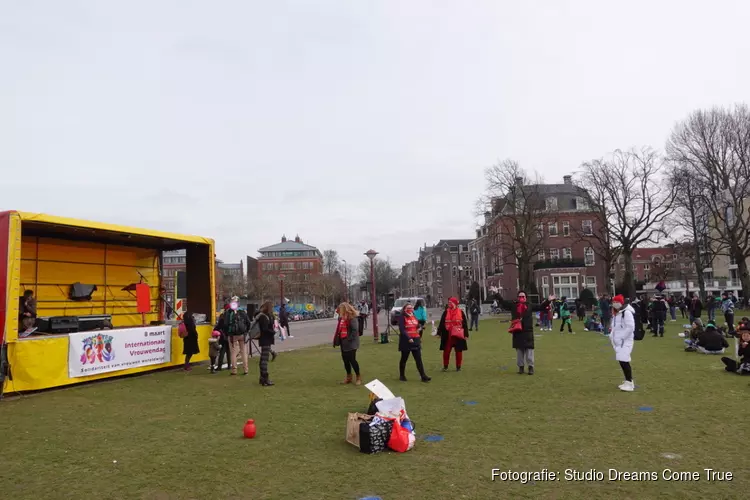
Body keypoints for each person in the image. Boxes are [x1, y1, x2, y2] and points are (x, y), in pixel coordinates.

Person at [497, 292, 552, 375]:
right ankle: (521, 367)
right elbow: (503, 303)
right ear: (517, 297)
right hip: (517, 330)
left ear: (526, 297)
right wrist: (497, 294)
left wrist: (548, 300)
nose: (521, 298)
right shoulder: (514, 305)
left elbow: (540, 306)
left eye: (523, 296)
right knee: (519, 350)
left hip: (527, 330)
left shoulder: (529, 305)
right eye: (520, 296)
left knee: (529, 350)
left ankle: (530, 367)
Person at [216, 297, 251, 376]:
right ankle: (246, 369)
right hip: (242, 334)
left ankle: (234, 370)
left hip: (232, 336)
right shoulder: (242, 312)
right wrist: (246, 331)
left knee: (233, 353)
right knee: (243, 352)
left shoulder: (228, 313)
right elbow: (248, 322)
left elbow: (225, 324)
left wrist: (227, 333)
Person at [398, 303, 431, 382]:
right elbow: (402, 329)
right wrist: (408, 338)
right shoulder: (402, 317)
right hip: (406, 341)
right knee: (404, 358)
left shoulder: (413, 315)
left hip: (415, 339)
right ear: (404, 309)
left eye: (411, 308)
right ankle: (402, 375)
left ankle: (423, 376)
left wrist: (421, 327)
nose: (410, 309)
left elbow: (415, 324)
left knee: (418, 358)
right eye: (408, 308)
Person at [610, 295, 636, 392]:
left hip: (625, 341)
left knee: (624, 360)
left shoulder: (627, 313)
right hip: (618, 341)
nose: (614, 304)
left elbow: (630, 327)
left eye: (616, 302)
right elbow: (615, 327)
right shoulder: (617, 313)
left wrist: (622, 337)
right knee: (621, 361)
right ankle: (628, 381)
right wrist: (612, 335)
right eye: (613, 302)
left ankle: (629, 383)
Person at [437, 297, 469, 372]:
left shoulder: (461, 312)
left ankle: (458, 367)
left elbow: (464, 324)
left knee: (458, 351)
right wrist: (439, 333)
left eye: (451, 303)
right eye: (449, 303)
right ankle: (445, 366)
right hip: (447, 335)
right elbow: (442, 323)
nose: (449, 304)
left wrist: (466, 334)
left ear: (454, 304)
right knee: (446, 351)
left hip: (458, 334)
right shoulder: (446, 312)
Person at [334, 302, 362, 385]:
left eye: (340, 309)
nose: (339, 311)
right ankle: (349, 377)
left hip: (351, 343)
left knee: (352, 360)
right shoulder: (341, 318)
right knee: (345, 360)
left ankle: (358, 377)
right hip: (343, 342)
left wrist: (349, 338)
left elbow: (355, 330)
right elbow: (339, 329)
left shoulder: (352, 318)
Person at [256, 301, 277, 386]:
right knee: (264, 360)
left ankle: (262, 378)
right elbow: (265, 329)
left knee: (263, 359)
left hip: (264, 339)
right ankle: (265, 378)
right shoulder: (264, 317)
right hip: (266, 339)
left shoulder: (263, 316)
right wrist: (273, 332)